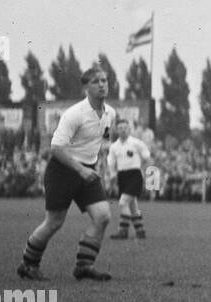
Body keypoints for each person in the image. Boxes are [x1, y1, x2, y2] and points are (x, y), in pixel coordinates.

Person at [17, 67, 116, 281]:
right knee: (54, 222)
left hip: (87, 171)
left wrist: (97, 165)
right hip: (63, 170)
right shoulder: (75, 114)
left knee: (103, 216)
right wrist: (80, 170)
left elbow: (103, 139)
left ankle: (84, 266)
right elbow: (56, 148)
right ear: (85, 87)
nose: (101, 84)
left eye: (104, 80)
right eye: (96, 81)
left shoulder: (110, 113)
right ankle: (28, 264)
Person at [106, 117, 152, 239]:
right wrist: (113, 175)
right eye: (120, 128)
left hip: (135, 175)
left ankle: (123, 231)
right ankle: (140, 231)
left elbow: (148, 159)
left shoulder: (137, 143)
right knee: (132, 206)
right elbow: (110, 162)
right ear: (116, 130)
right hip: (122, 176)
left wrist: (143, 172)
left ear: (129, 129)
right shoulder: (114, 146)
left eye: (125, 128)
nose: (123, 130)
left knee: (123, 202)